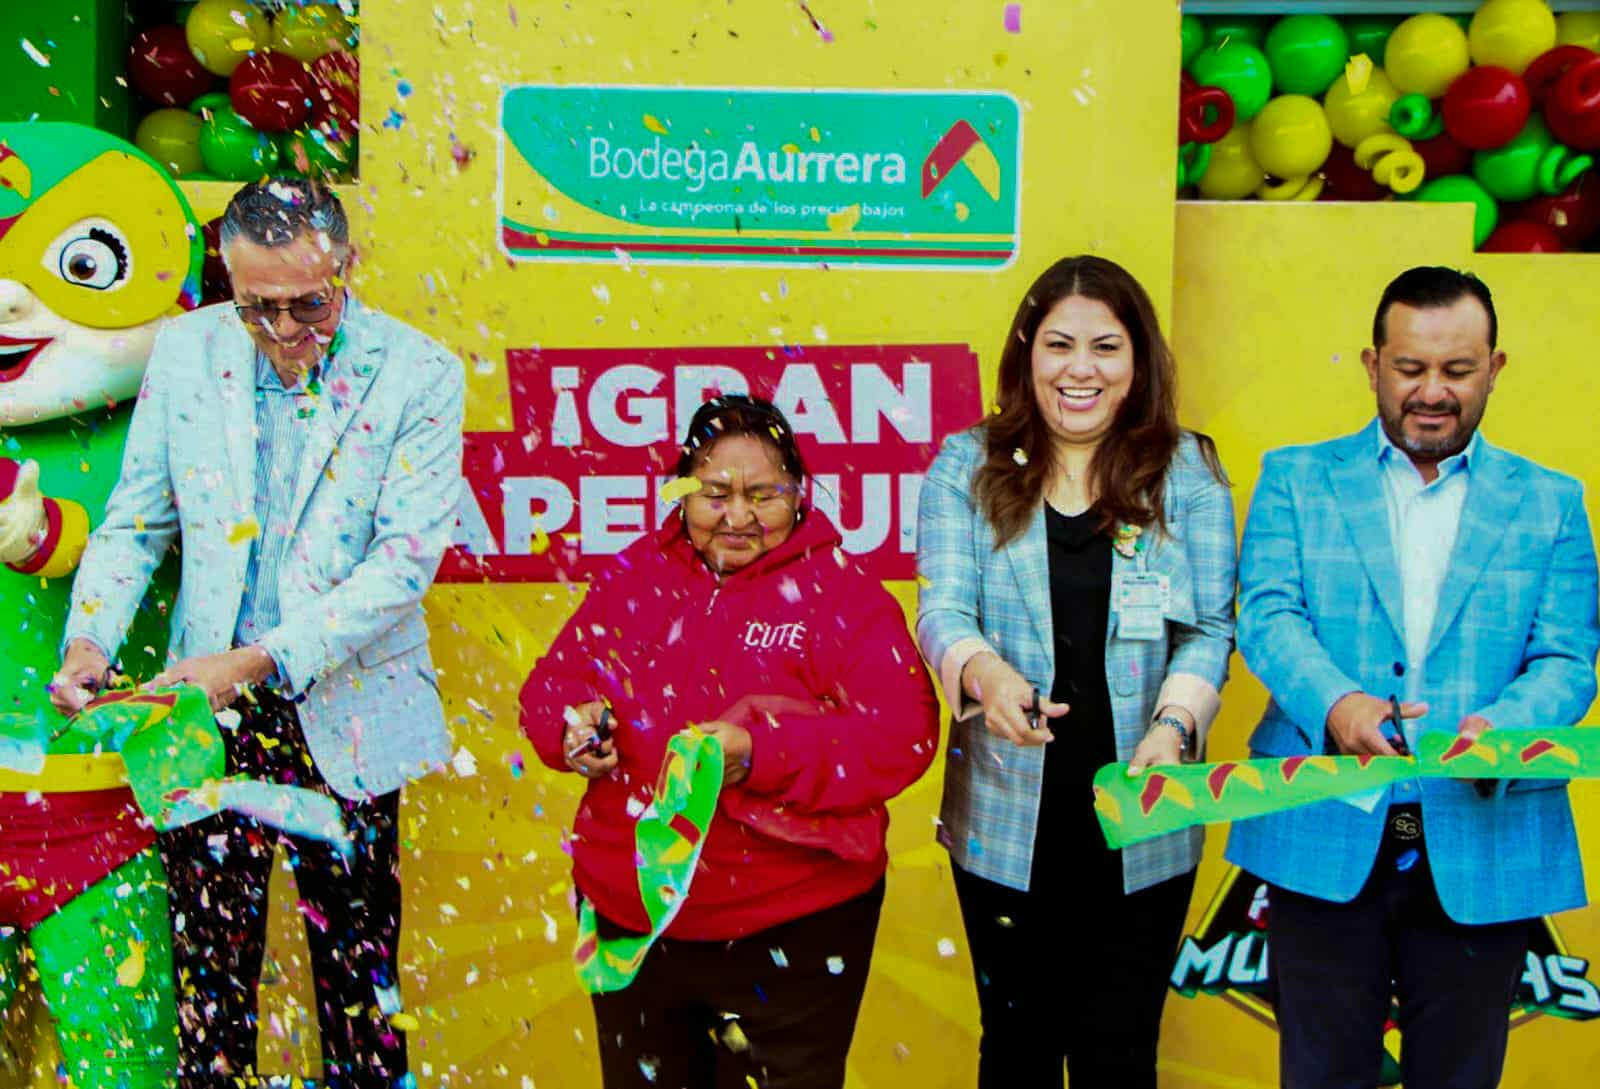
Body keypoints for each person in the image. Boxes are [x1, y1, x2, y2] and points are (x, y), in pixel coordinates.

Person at [53, 178, 465, 1087]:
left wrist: (257, 659)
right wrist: (88, 643)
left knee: (360, 989)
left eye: (309, 304)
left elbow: (402, 565)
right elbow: (136, 521)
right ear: (228, 280)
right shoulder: (186, 351)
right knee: (209, 980)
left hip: (348, 712)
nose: (283, 331)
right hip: (201, 720)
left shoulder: (421, 372)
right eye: (257, 307)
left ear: (348, 266)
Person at [1226, 266, 1599, 1089]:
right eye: (1410, 368)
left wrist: (1505, 728)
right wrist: (1338, 706)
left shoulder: (1553, 502)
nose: (1432, 392)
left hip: (1484, 838)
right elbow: (1269, 616)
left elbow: (1568, 657)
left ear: (1495, 368)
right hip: (1321, 830)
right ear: (1372, 365)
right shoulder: (1295, 479)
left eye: (1457, 370)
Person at [521, 394, 939, 1089]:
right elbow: (552, 684)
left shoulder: (844, 595)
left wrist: (761, 752)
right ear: (683, 492)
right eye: (715, 493)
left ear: (799, 495)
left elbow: (903, 735)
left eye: (763, 495)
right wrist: (568, 726)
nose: (738, 517)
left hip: (793, 926)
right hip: (633, 922)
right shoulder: (635, 576)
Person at [916, 254, 1237, 1089]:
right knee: (1015, 1047)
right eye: (1059, 345)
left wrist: (1174, 727)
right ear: (1027, 354)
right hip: (1005, 812)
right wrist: (986, 675)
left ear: (1140, 360)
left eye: (1106, 346)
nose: (1080, 369)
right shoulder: (965, 465)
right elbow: (941, 610)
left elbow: (1209, 628)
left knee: (1119, 1053)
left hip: (1145, 810)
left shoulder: (1187, 473)